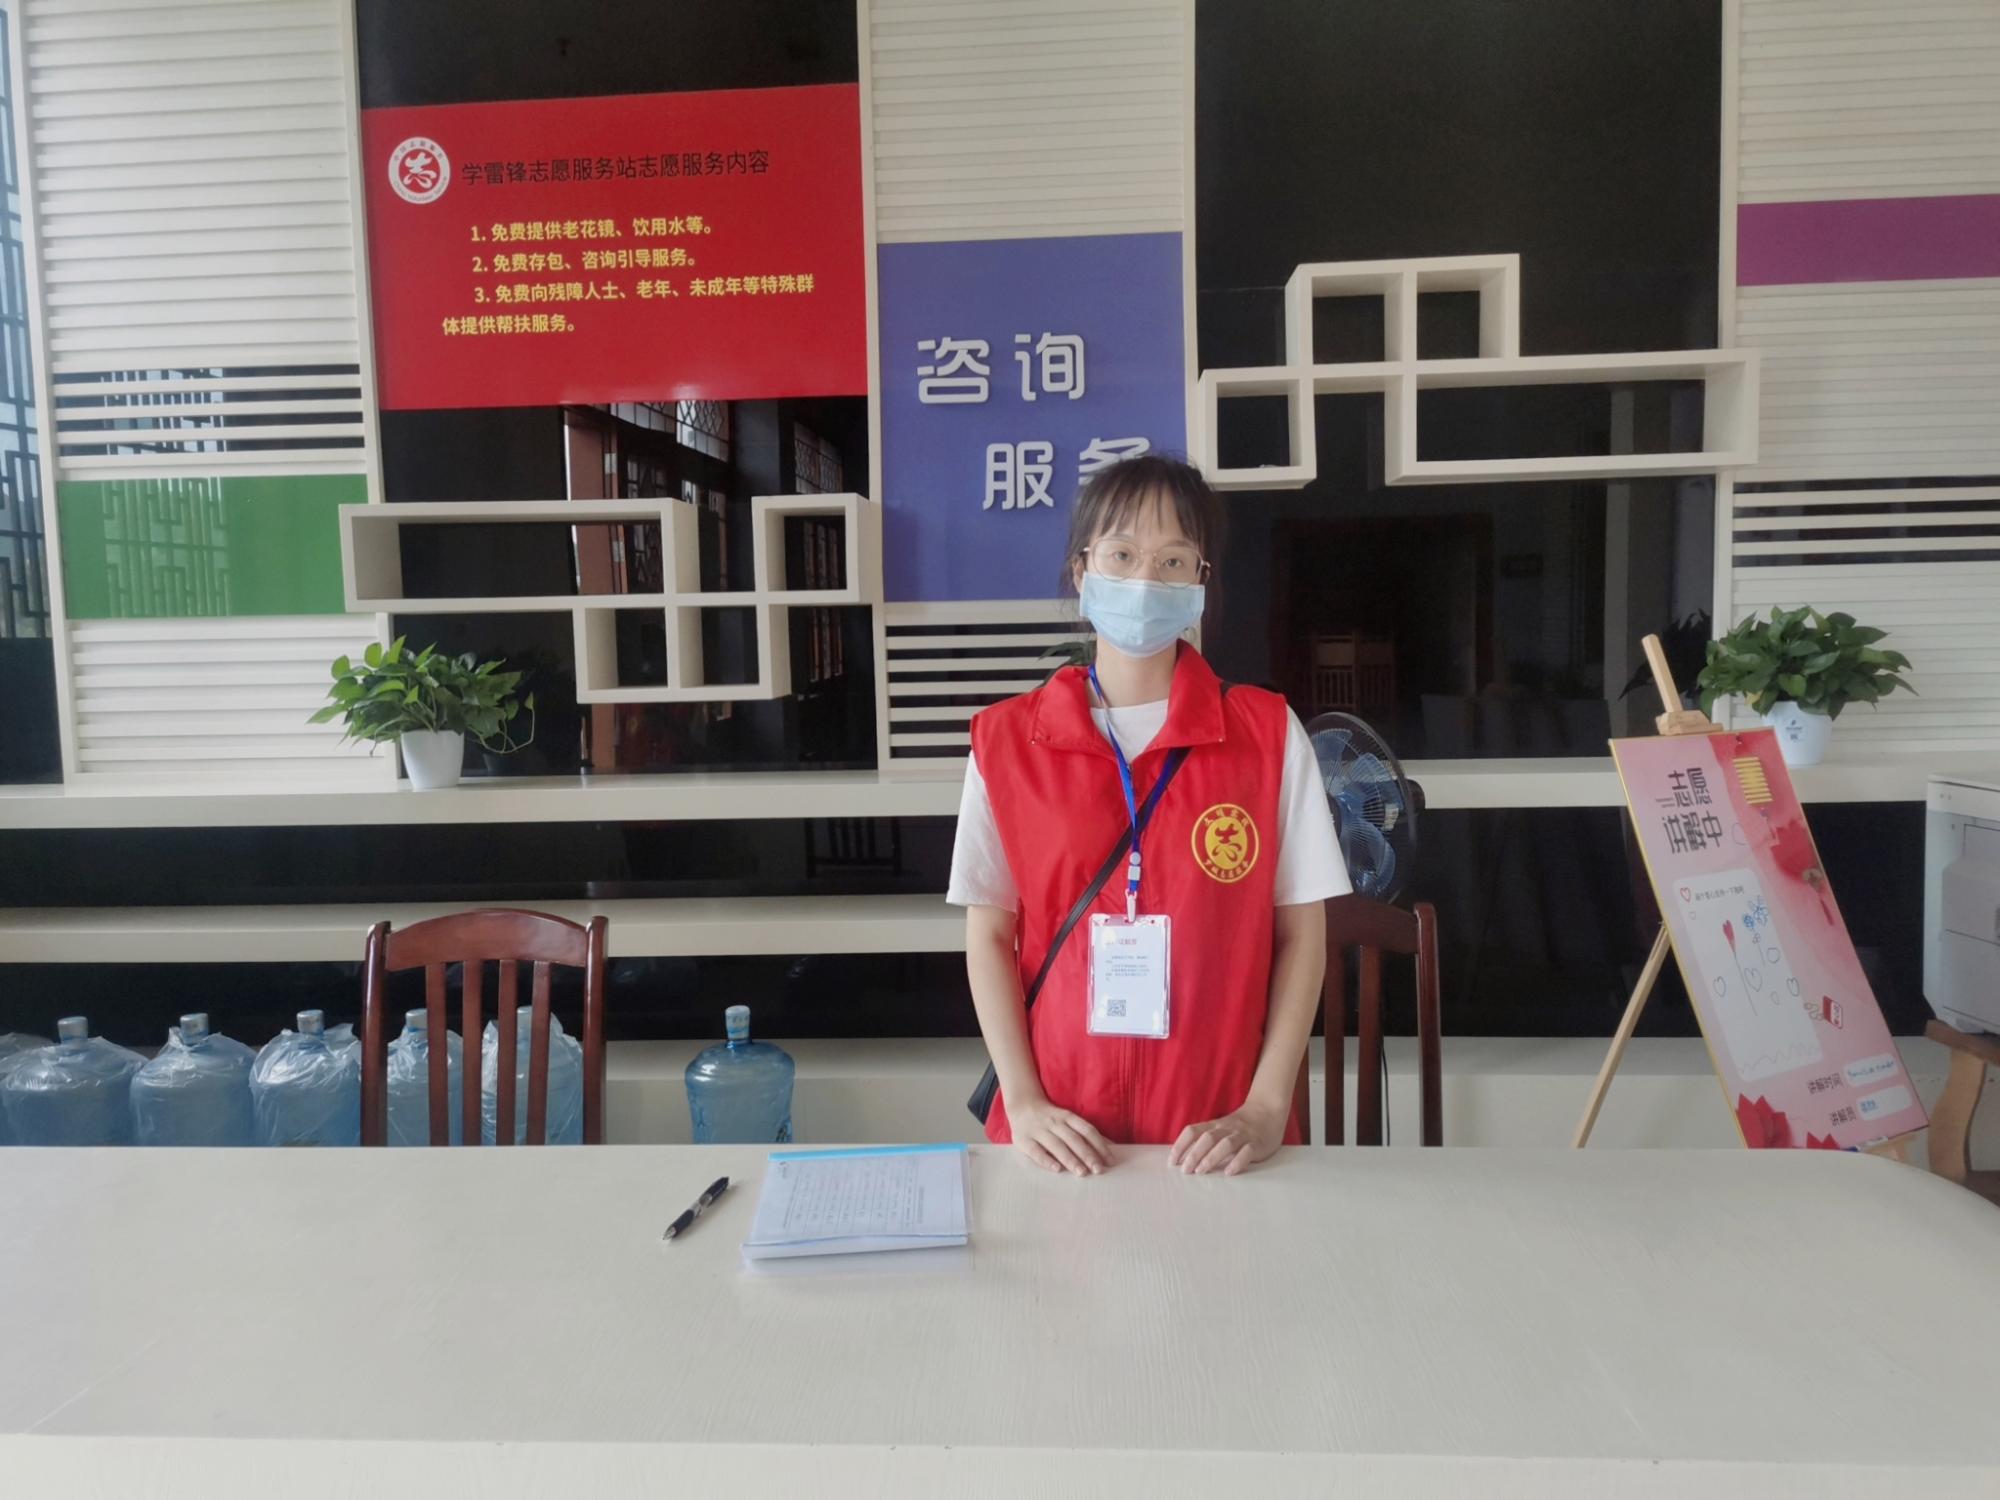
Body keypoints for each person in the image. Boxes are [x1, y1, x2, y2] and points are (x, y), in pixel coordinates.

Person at [948, 455, 1350, 1177]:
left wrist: (1265, 1107)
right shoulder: (1008, 743)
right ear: (1082, 570)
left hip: (1218, 1134)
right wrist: (1025, 1101)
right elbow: (989, 934)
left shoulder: (1265, 735)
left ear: (1199, 583)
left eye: (1172, 561)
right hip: (1058, 1135)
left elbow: (1303, 936)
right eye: (1122, 555)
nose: (1144, 581)